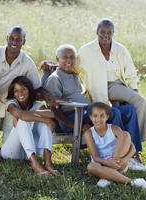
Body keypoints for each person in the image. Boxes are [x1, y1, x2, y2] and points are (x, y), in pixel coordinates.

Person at [0, 26, 65, 163]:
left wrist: (51, 97)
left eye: (18, 40)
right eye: (11, 38)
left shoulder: (27, 62)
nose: (14, 42)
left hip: (10, 105)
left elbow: (37, 88)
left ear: (24, 42)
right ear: (7, 38)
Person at [43, 44, 145, 170]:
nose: (69, 60)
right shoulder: (55, 79)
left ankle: (134, 155)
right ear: (57, 59)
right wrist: (76, 126)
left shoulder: (75, 76)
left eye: (72, 57)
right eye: (64, 57)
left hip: (88, 114)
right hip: (74, 118)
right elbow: (54, 111)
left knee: (129, 110)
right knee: (114, 113)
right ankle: (120, 158)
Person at [73, 18, 146, 157]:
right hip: (97, 86)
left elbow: (130, 73)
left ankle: (135, 144)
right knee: (128, 107)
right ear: (97, 32)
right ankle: (132, 148)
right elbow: (74, 69)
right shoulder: (86, 50)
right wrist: (54, 66)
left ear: (113, 33)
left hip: (117, 85)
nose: (105, 35)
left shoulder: (121, 49)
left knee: (140, 101)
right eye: (102, 32)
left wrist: (134, 93)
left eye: (109, 32)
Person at [0, 76, 61, 177]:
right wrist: (46, 119)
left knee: (42, 122)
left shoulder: (36, 105)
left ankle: (48, 163)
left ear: (29, 89)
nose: (20, 93)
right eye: (16, 91)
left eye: (23, 89)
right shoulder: (11, 103)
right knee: (22, 120)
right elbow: (19, 114)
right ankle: (35, 165)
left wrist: (30, 114)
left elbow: (51, 114)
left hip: (29, 150)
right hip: (10, 151)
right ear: (13, 94)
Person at [84, 102, 146, 188]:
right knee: (91, 167)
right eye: (95, 115)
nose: (98, 119)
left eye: (102, 115)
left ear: (107, 117)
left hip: (118, 162)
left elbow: (133, 148)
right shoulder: (89, 133)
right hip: (101, 163)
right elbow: (95, 157)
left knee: (125, 134)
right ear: (90, 117)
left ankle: (107, 176)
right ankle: (132, 182)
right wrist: (107, 163)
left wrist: (124, 160)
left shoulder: (114, 129)